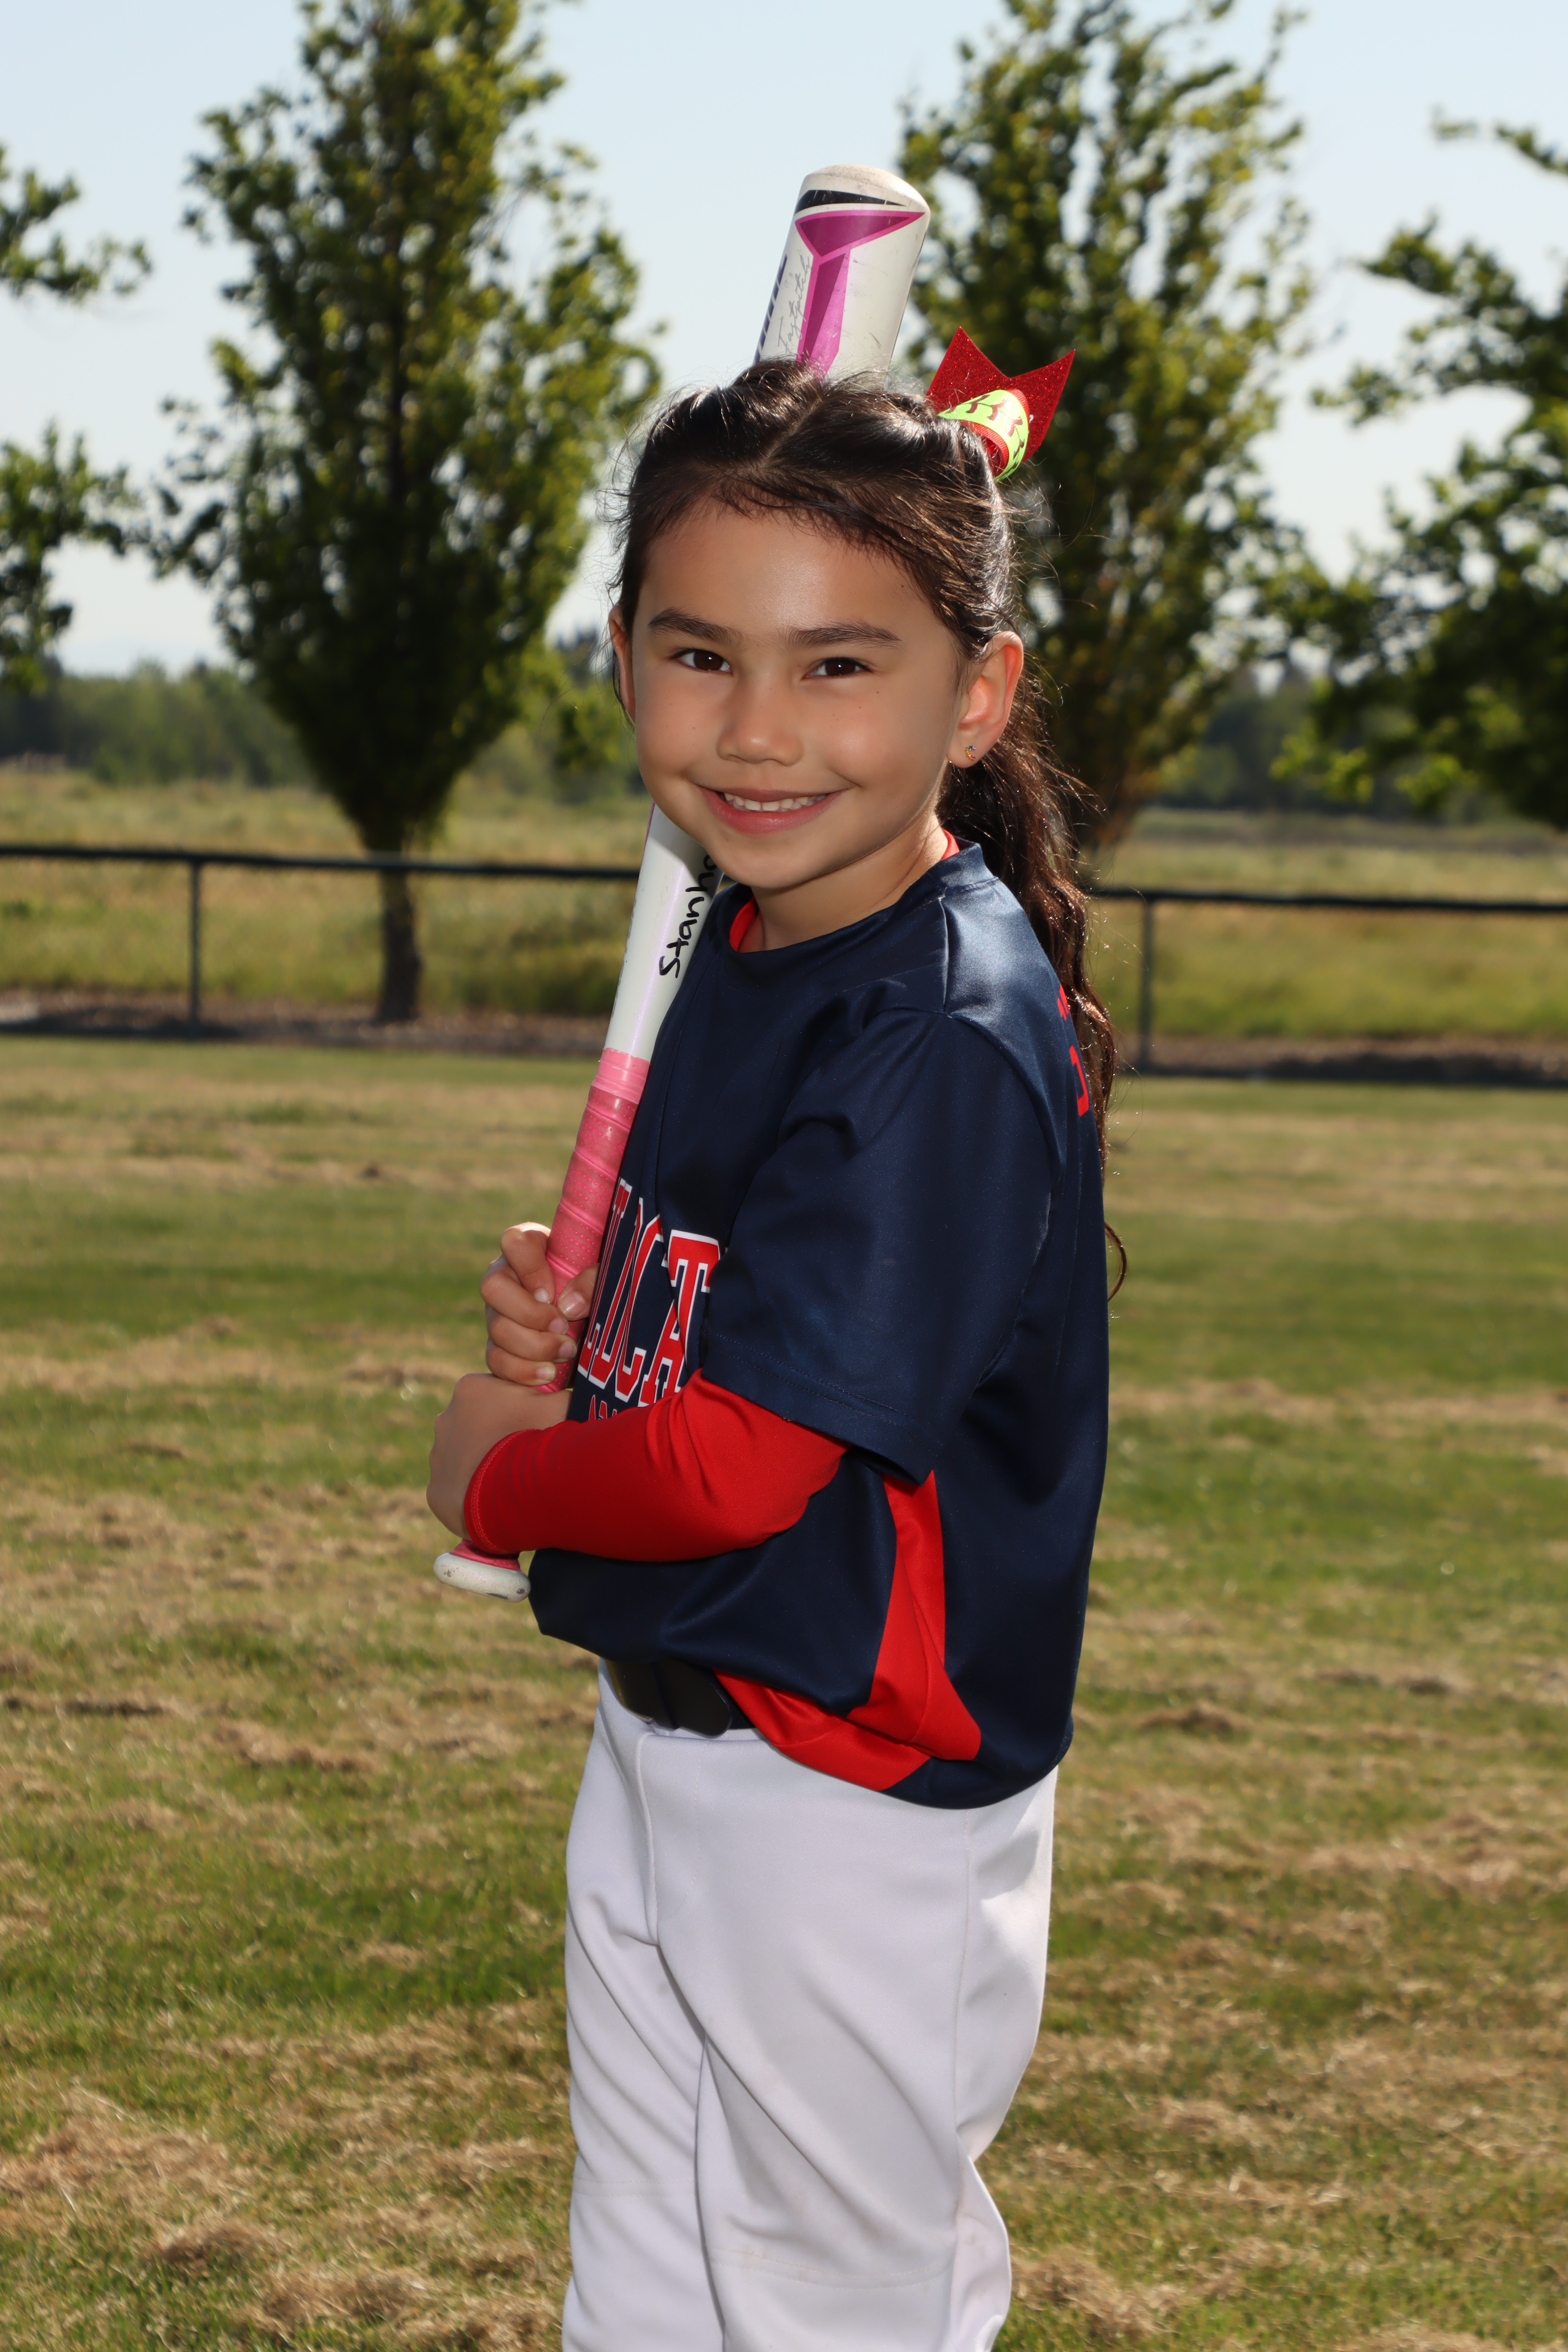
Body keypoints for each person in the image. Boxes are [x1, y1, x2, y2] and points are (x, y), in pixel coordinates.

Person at [427, 360, 1118, 2352]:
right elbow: (719, 1323)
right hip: (676, 1722)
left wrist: (492, 1469)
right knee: (648, 2279)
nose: (753, 727)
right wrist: (586, 1330)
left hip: (846, 1795)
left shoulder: (939, 1026)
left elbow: (739, 1468)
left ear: (974, 697)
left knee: (831, 2306)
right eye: (700, 653)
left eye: (838, 666)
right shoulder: (749, 941)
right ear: (623, 659)